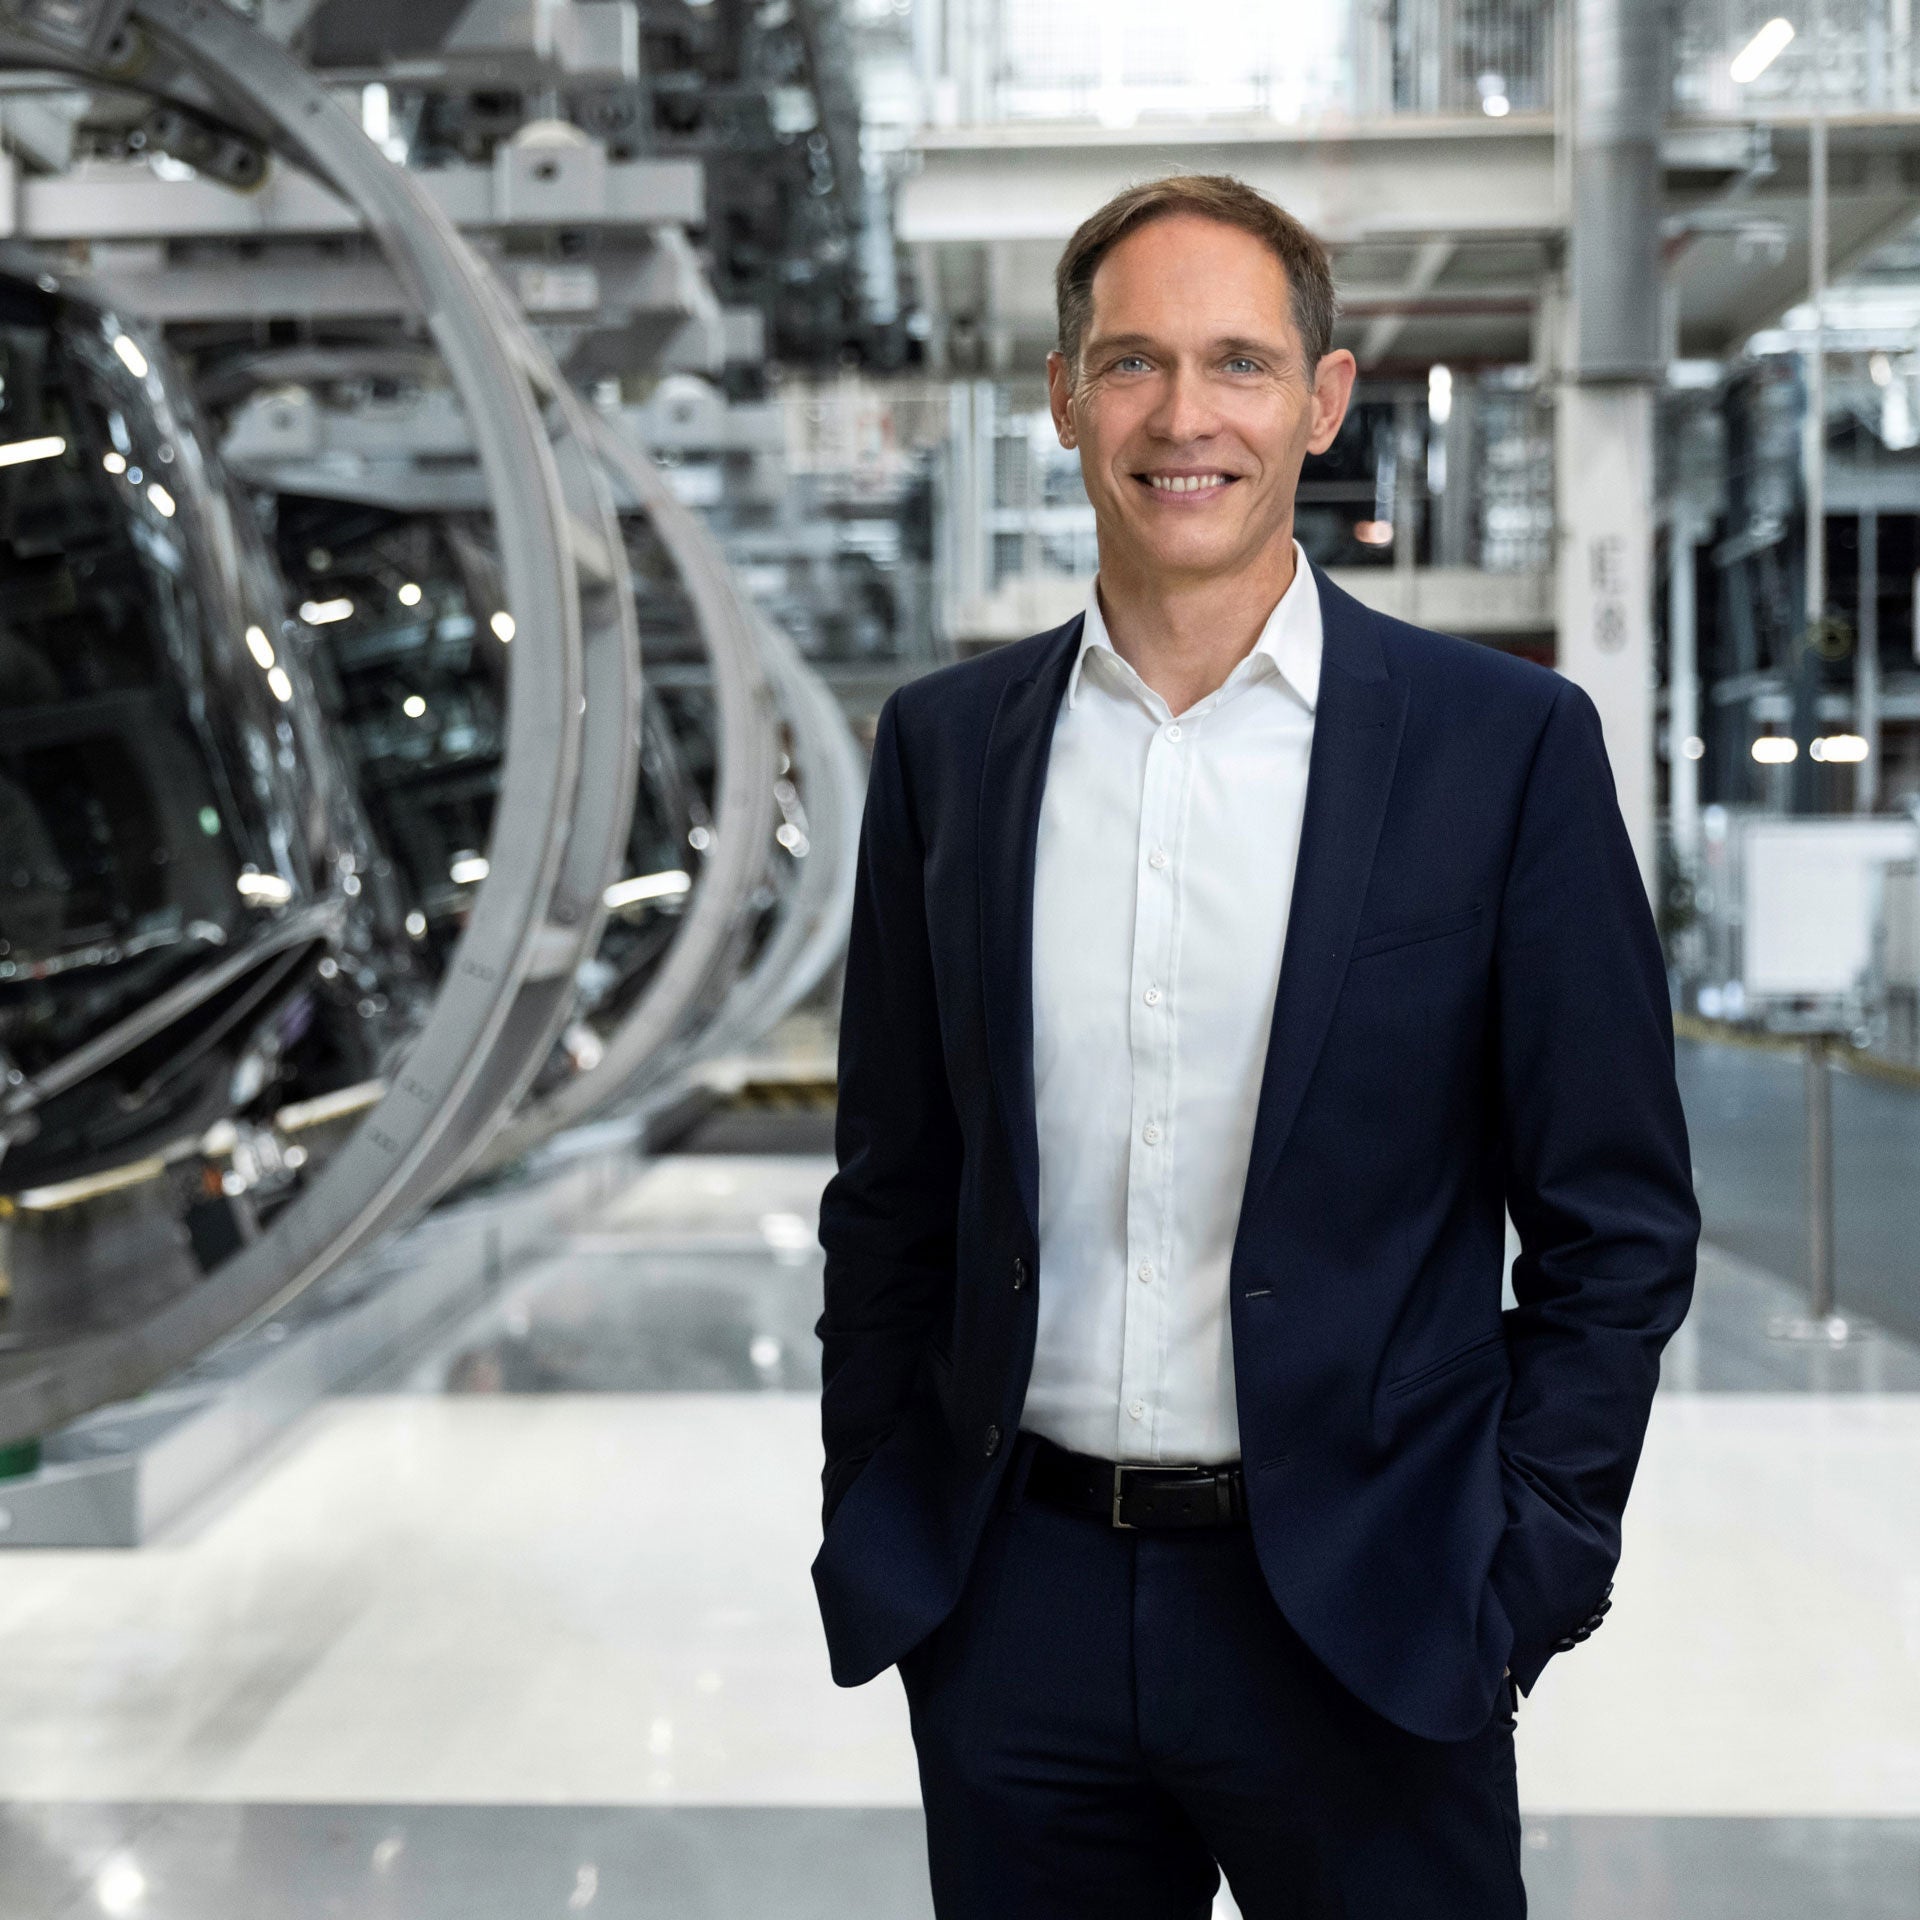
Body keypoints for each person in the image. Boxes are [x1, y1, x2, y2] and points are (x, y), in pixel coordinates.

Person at [812, 173, 1698, 1919]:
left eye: (1237, 362)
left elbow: (1615, 1218)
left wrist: (1529, 1561)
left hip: (1375, 1609)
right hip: (1017, 1614)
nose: (1183, 417)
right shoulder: (946, 753)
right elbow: (893, 1191)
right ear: (1065, 399)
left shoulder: (1501, 748)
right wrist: (885, 1515)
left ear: (1323, 399)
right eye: (1132, 362)